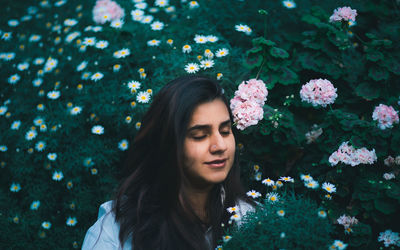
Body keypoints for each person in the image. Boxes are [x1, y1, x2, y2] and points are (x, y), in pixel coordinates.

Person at [82, 75, 256, 250]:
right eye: (199, 136)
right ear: (168, 144)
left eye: (225, 131)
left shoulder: (250, 219)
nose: (219, 146)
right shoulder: (115, 231)